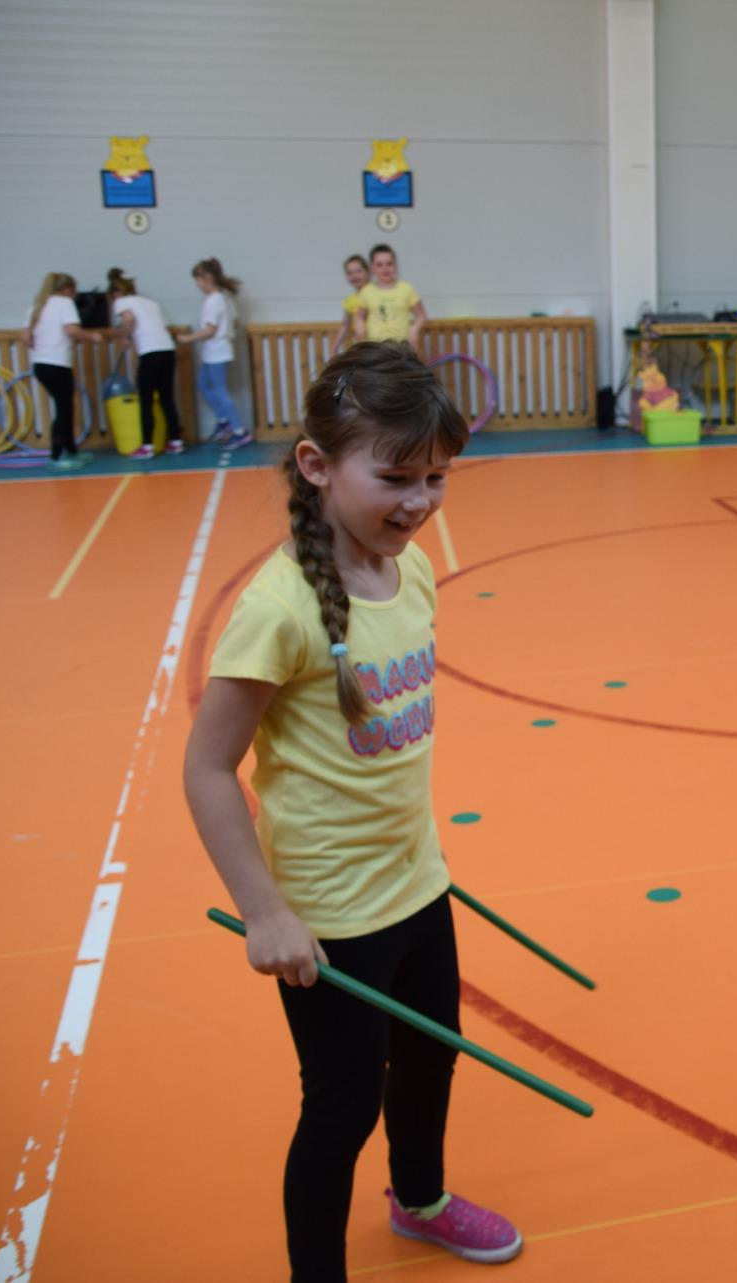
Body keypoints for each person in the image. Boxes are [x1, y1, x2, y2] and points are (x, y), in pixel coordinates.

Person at [182, 342, 519, 1281]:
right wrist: (265, 910)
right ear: (317, 464)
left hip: (418, 882)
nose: (418, 500)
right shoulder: (278, 609)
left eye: (438, 476)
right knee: (340, 1110)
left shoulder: (406, 570)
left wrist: (421, 859)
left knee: (429, 1062)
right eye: (396, 476)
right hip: (330, 915)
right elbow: (209, 769)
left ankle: (420, 1202)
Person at [21, 272, 104, 469]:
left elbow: (25, 337)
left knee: (65, 407)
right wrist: (93, 337)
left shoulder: (37, 306)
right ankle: (57, 455)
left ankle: (71, 451)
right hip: (57, 364)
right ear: (67, 289)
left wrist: (43, 347)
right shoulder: (64, 303)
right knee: (64, 409)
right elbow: (72, 330)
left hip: (41, 364)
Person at [106, 268, 182, 458]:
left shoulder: (122, 301)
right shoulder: (151, 303)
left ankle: (147, 446)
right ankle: (176, 441)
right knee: (166, 397)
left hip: (150, 353)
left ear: (115, 293)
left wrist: (126, 338)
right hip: (167, 350)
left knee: (145, 399)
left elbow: (129, 319)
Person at [180, 257, 252, 447]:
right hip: (214, 351)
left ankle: (239, 430)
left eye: (199, 279)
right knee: (202, 384)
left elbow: (210, 330)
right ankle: (223, 420)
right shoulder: (226, 298)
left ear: (208, 277)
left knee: (220, 391)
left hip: (217, 351)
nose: (198, 284)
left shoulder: (214, 300)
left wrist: (186, 339)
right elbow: (236, 322)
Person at [356, 244, 426, 348]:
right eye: (379, 265)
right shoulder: (366, 291)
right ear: (372, 267)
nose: (385, 268)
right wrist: (360, 326)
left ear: (395, 265)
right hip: (376, 347)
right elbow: (359, 315)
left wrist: (414, 329)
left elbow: (421, 315)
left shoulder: (406, 289)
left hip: (401, 347)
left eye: (389, 264)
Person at [334, 253, 371, 351]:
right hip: (360, 346)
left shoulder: (377, 294)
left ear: (368, 271)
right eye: (350, 273)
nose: (354, 276)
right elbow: (345, 326)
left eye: (358, 271)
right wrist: (334, 346)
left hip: (377, 344)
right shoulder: (350, 300)